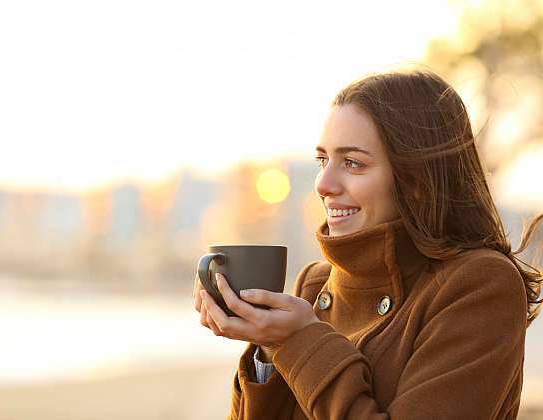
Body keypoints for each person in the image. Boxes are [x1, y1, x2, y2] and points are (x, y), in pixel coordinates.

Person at [193, 68, 542, 419]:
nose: (323, 184)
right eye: (322, 160)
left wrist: (298, 341)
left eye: (353, 163)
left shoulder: (479, 284)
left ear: (417, 178)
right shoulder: (314, 285)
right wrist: (268, 347)